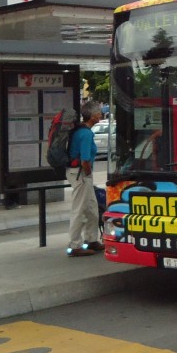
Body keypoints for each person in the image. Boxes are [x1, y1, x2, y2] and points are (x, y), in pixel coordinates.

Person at [65, 100, 104, 257]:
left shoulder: (80, 130)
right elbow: (85, 159)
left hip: (79, 173)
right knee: (79, 209)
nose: (100, 114)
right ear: (93, 116)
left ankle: (91, 239)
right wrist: (87, 175)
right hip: (81, 174)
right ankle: (74, 245)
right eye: (99, 112)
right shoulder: (86, 133)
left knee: (92, 208)